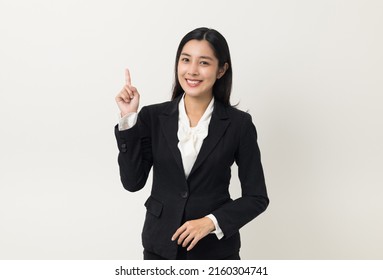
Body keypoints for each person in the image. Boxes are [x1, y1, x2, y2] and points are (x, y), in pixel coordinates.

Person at [114, 27, 269, 260]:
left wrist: (210, 222)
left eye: (204, 63)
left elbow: (257, 197)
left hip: (215, 253)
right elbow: (132, 182)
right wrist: (129, 120)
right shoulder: (152, 117)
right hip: (160, 249)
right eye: (186, 60)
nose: (192, 71)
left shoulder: (239, 124)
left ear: (221, 70)